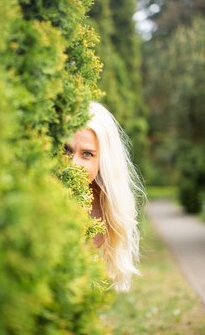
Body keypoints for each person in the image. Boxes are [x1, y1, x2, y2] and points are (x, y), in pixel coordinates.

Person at [64, 101, 145, 292]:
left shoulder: (99, 214)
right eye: (66, 149)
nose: (73, 164)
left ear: (103, 161)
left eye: (87, 154)